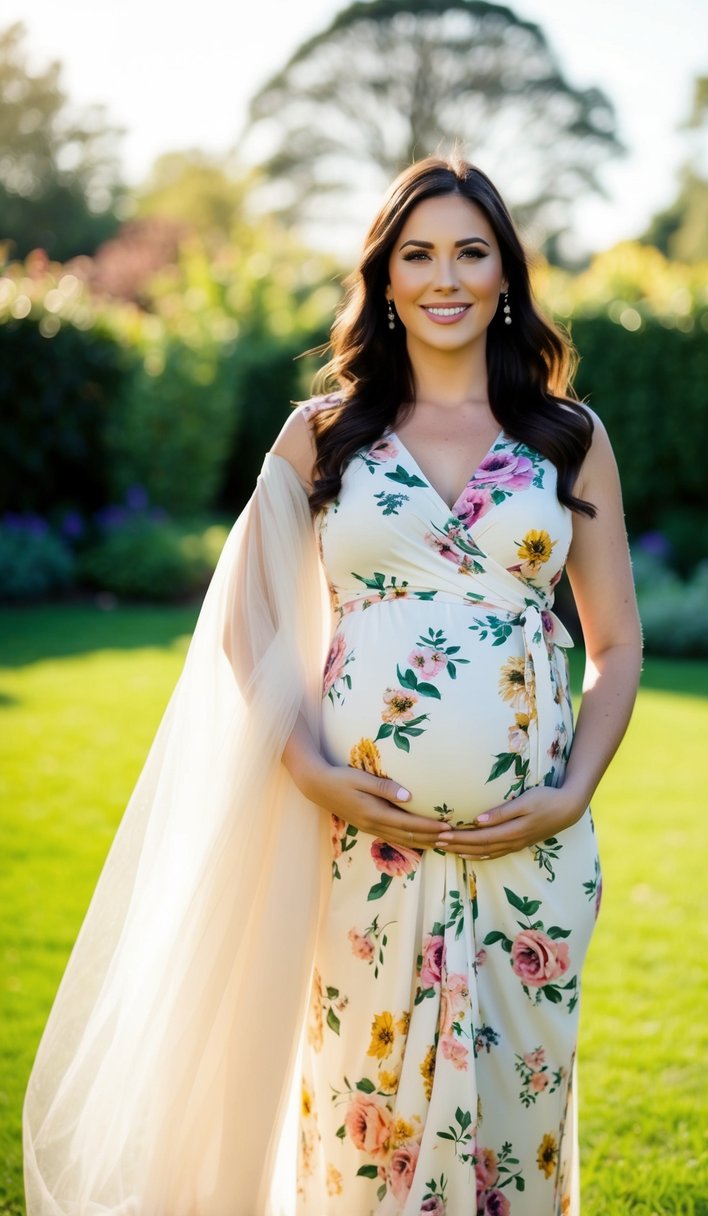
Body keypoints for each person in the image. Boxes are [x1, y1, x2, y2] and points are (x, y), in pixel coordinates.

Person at [23, 156, 641, 1216]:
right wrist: (308, 766)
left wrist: (575, 788)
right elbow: (245, 621)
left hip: (530, 859)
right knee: (361, 1126)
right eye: (418, 253)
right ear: (386, 280)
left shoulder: (566, 438)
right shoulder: (325, 432)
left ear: (506, 277)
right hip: (361, 847)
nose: (444, 276)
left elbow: (616, 645)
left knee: (514, 1133)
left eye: (469, 251)